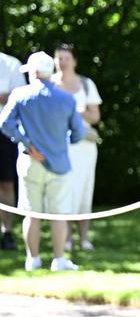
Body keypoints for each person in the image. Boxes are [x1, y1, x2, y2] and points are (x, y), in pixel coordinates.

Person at [0, 51, 86, 271]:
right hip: (59, 163)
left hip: (29, 161)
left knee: (31, 212)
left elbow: (5, 124)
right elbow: (78, 133)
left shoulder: (20, 95)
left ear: (35, 73)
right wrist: (61, 143)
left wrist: (27, 143)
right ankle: (58, 259)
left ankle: (33, 259)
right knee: (59, 214)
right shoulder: (66, 99)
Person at [52, 43, 101, 252]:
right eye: (59, 58)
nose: (63, 63)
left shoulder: (86, 84)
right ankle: (66, 239)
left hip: (84, 147)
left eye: (66, 58)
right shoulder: (50, 84)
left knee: (84, 191)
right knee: (64, 192)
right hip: (59, 146)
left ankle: (84, 238)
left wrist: (78, 111)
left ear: (74, 61)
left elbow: (95, 116)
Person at [0, 51, 26, 251]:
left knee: (6, 184)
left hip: (5, 132)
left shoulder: (11, 64)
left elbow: (21, 97)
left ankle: (6, 232)